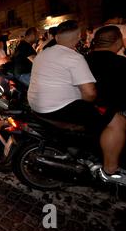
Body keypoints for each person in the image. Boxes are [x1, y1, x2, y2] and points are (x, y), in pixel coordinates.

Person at [28, 20, 126, 185]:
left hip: (37, 105)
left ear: (57, 37)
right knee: (117, 122)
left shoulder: (43, 53)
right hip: (58, 108)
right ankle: (110, 171)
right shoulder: (74, 57)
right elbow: (90, 93)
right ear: (78, 38)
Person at [86, 26, 126, 183]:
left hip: (88, 108)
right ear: (117, 41)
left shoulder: (83, 60)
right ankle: (111, 170)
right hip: (111, 112)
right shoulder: (121, 63)